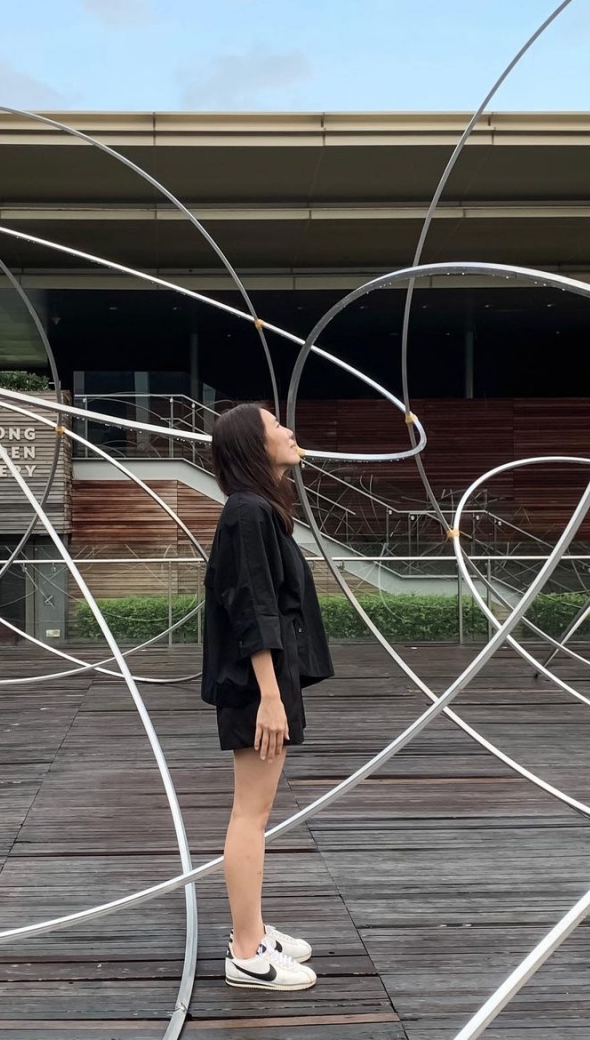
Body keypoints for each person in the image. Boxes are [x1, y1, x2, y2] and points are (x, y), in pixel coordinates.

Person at [202, 402, 334, 991]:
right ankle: (245, 951)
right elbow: (252, 605)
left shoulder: (259, 509)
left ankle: (252, 930)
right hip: (258, 684)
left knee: (255, 814)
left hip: (269, 678)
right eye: (276, 426)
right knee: (249, 815)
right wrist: (270, 697)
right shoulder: (247, 512)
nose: (289, 430)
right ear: (254, 446)